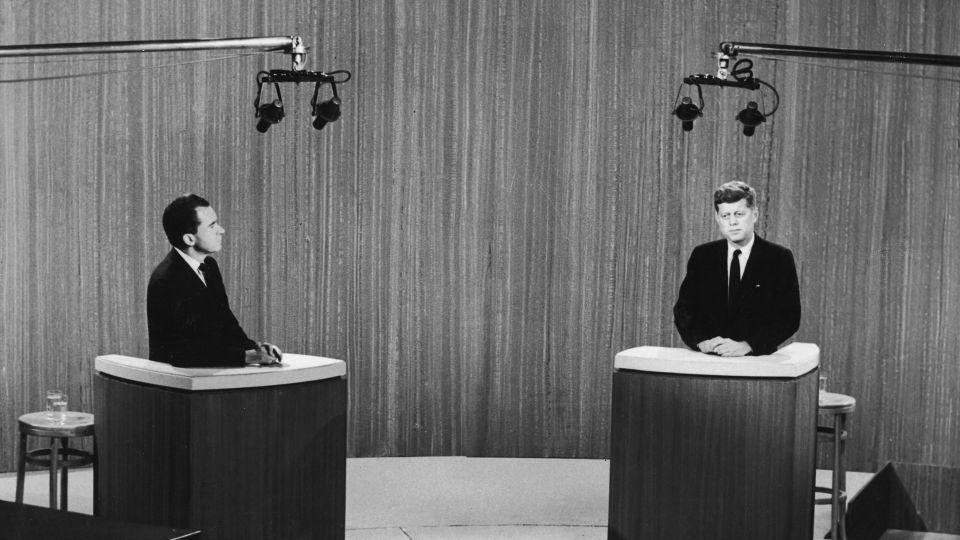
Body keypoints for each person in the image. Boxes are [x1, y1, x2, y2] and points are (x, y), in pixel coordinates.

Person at [147, 194, 282, 367]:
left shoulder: (209, 266)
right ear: (189, 238)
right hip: (179, 383)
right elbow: (180, 352)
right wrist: (248, 357)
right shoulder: (166, 280)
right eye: (212, 226)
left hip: (208, 374)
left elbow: (226, 322)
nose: (222, 230)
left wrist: (255, 348)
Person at [673, 181, 800, 356]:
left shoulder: (778, 258)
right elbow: (684, 309)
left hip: (758, 362)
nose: (732, 222)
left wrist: (748, 345)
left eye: (739, 214)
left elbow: (790, 317)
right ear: (718, 218)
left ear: (754, 214)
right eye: (725, 216)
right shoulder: (703, 255)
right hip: (710, 360)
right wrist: (701, 341)